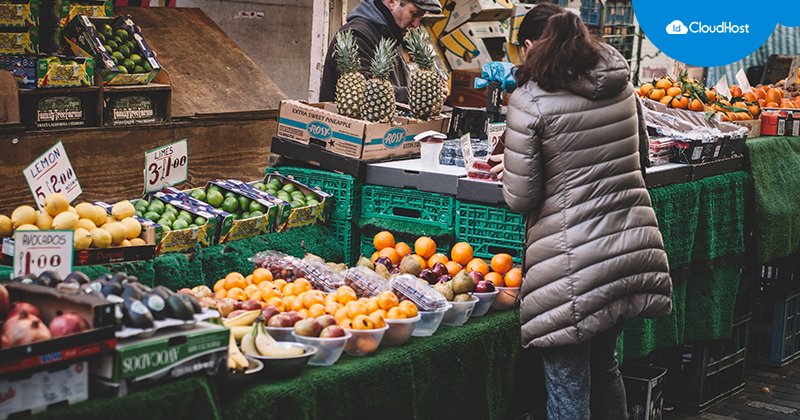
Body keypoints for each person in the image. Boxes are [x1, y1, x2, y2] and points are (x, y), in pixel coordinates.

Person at [498, 4, 673, 419]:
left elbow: (520, 197)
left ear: (530, 47)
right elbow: (641, 158)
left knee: (568, 384)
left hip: (572, 263)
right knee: (604, 365)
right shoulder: (622, 88)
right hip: (628, 250)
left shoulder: (529, 101)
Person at [320, 0, 441, 104]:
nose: (416, 24)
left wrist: (428, 92)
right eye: (414, 14)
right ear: (392, 2)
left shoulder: (391, 33)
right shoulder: (357, 35)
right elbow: (363, 92)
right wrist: (419, 94)